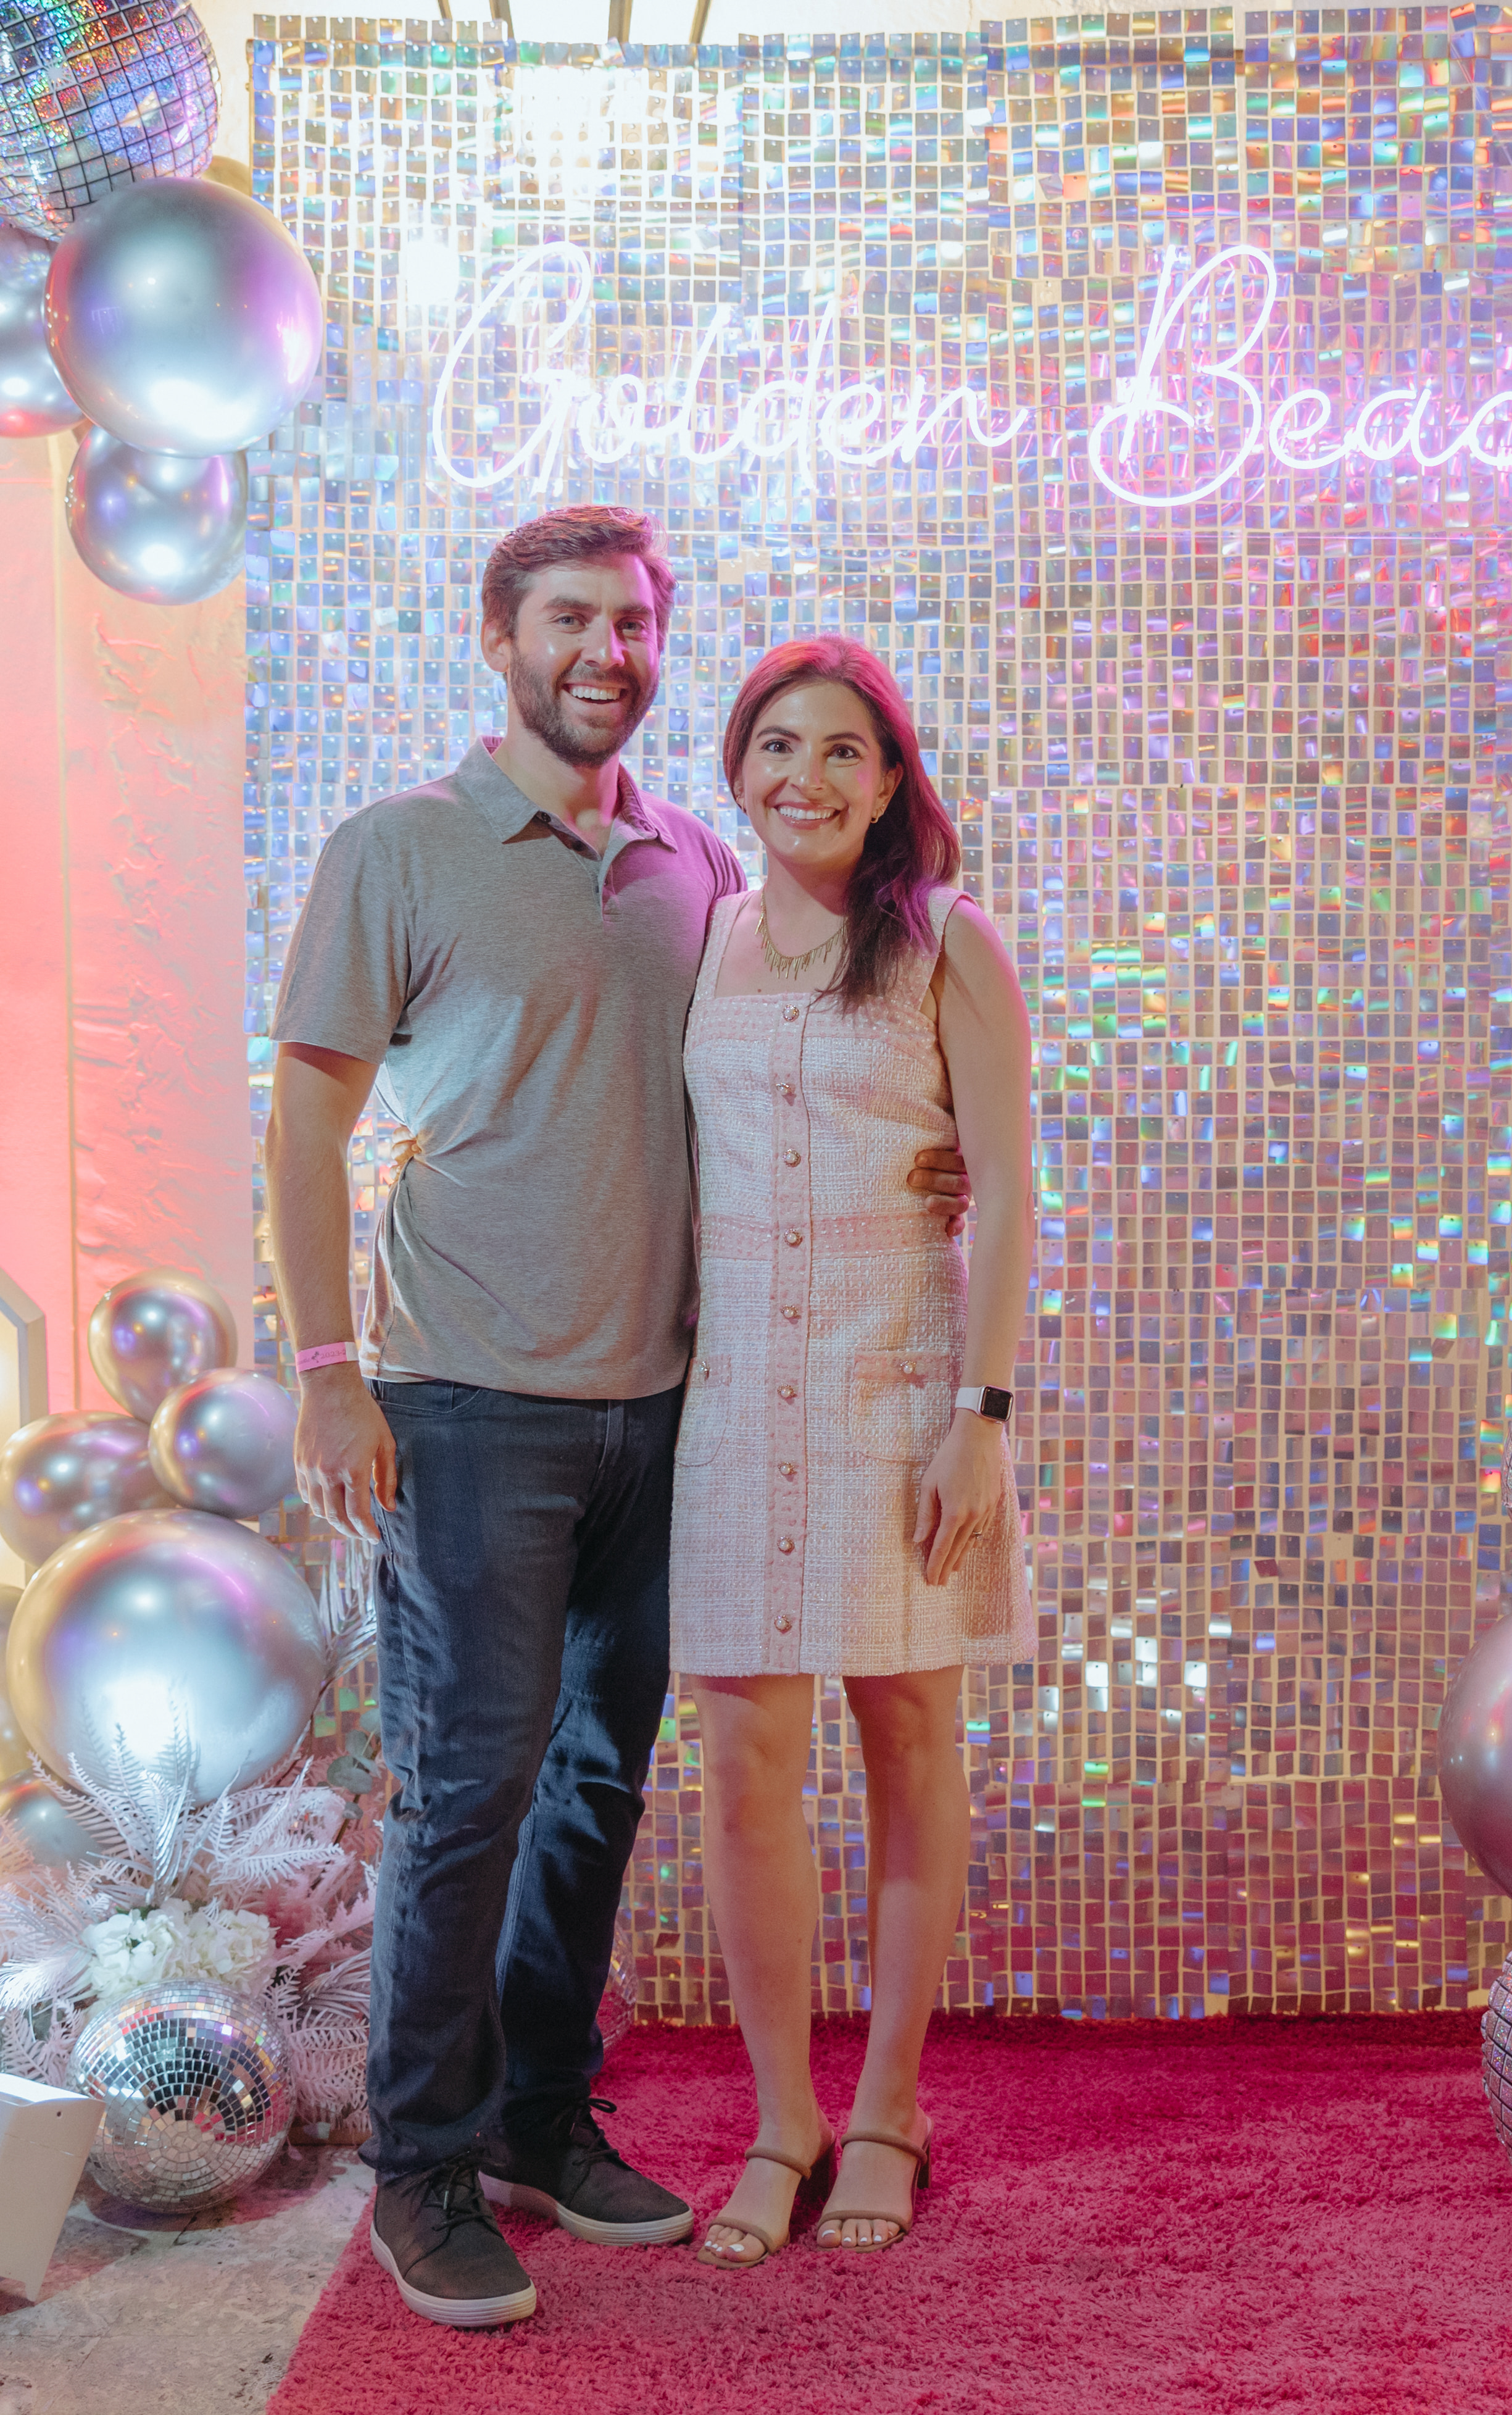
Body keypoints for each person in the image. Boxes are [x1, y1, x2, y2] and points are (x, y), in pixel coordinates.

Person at [264, 511, 968, 2329]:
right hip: (468, 1402)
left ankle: (540, 2118)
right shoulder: (398, 848)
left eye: (635, 624)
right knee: (470, 1792)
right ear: (500, 635)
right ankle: (424, 2166)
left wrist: (925, 1157)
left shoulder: (694, 872)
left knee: (596, 1785)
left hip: (671, 1410)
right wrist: (328, 1371)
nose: (606, 651)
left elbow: (794, 1082)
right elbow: (306, 1125)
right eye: (569, 618)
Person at [673, 636, 1034, 2267]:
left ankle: (887, 2107)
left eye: (840, 751)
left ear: (890, 782)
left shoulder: (948, 941)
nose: (803, 778)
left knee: (911, 1736)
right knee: (745, 1756)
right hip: (733, 1394)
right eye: (776, 746)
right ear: (737, 771)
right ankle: (782, 2120)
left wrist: (981, 1418)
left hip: (900, 1389)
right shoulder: (702, 935)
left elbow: (1005, 1189)